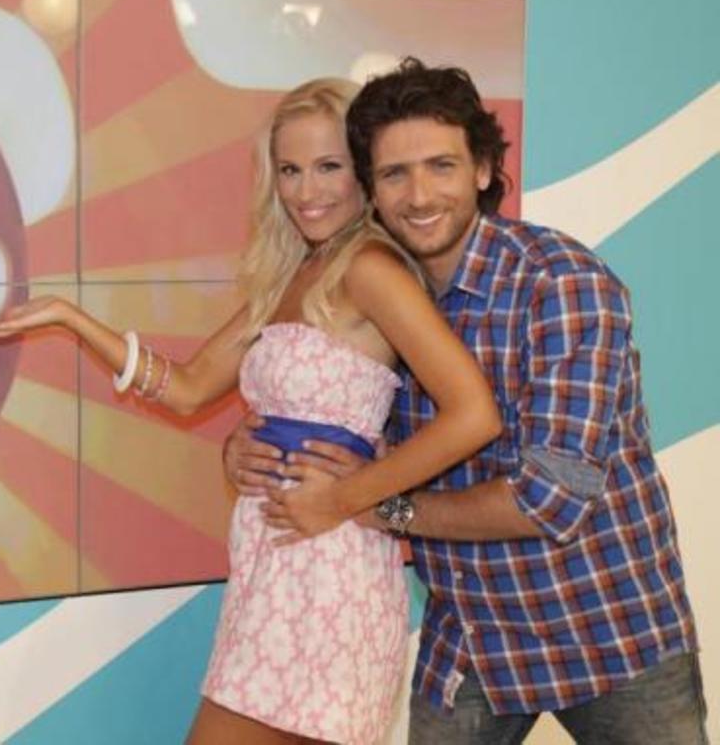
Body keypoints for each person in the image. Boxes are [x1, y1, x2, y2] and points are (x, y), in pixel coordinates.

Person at [0, 77, 500, 744]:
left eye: (329, 166)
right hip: (270, 570)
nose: (307, 191)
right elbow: (188, 387)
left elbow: (473, 414)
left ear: (363, 174)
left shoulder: (370, 269)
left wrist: (346, 497)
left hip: (328, 573)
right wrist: (72, 320)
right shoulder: (294, 275)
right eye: (290, 170)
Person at [224, 58, 707, 743]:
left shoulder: (561, 285)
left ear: (482, 169)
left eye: (441, 166)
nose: (419, 195)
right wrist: (248, 445)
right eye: (395, 174)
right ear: (371, 188)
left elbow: (549, 499)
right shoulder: (371, 289)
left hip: (607, 631)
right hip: (473, 637)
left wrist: (374, 505)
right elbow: (330, 404)